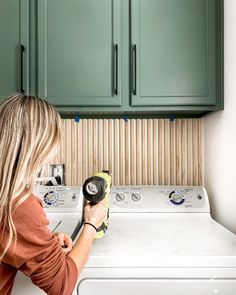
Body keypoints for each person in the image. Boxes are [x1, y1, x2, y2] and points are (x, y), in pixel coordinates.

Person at [0, 95, 107, 295]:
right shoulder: (18, 204)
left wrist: (43, 242)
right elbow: (61, 284)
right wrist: (91, 225)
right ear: (38, 145)